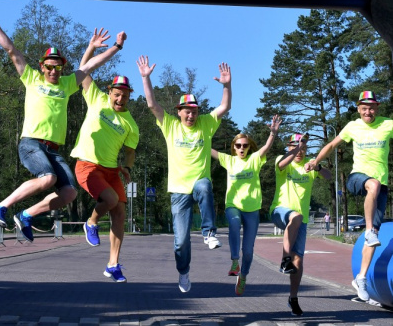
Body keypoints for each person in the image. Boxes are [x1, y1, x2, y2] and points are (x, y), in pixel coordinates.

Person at [0, 3, 126, 242]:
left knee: (69, 193)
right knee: (47, 179)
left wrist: (116, 47)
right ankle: (0, 207)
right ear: (42, 66)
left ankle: (25, 215)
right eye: (49, 67)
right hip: (31, 143)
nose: (54, 71)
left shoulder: (67, 84)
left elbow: (91, 65)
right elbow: (11, 49)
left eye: (58, 67)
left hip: (53, 150)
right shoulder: (31, 78)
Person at [136, 55, 232, 293]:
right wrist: (146, 78)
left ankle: (209, 233)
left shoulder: (206, 124)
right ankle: (184, 271)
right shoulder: (170, 126)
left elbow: (224, 107)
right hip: (178, 191)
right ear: (179, 112)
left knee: (204, 186)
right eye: (187, 112)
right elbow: (152, 105)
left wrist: (226, 85)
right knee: (180, 242)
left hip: (198, 183)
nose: (191, 116)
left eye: (194, 112)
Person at [306, 90, 391, 303]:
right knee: (373, 185)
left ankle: (361, 278)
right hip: (357, 178)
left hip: (380, 186)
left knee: (375, 235)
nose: (368, 112)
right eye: (364, 108)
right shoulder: (353, 126)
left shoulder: (387, 124)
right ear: (359, 109)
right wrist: (316, 161)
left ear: (377, 108)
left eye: (371, 108)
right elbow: (331, 145)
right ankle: (369, 231)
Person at [71, 29, 139, 283]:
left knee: (119, 212)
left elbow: (130, 151)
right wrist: (92, 47)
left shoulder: (131, 123)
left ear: (129, 96)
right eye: (117, 94)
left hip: (111, 171)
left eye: (125, 95)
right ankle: (91, 222)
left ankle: (113, 264)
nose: (120, 99)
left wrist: (127, 167)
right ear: (109, 92)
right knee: (109, 199)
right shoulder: (96, 98)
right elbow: (83, 69)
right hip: (87, 165)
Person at [211, 114, 282, 296]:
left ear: (249, 147)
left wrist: (273, 133)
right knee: (234, 223)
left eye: (245, 145)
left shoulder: (254, 159)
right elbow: (208, 149)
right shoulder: (229, 160)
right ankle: (235, 261)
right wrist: (198, 136)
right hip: (233, 204)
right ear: (233, 147)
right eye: (238, 145)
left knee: (249, 252)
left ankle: (243, 275)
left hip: (252, 209)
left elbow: (266, 147)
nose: (241, 148)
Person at [270, 133, 331, 316]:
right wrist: (295, 149)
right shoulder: (282, 160)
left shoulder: (310, 165)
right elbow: (282, 164)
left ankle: (293, 298)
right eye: (295, 147)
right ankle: (284, 260)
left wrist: (317, 166)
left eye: (303, 148)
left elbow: (328, 176)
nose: (299, 151)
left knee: (298, 260)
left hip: (301, 220)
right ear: (289, 147)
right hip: (280, 211)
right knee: (294, 217)